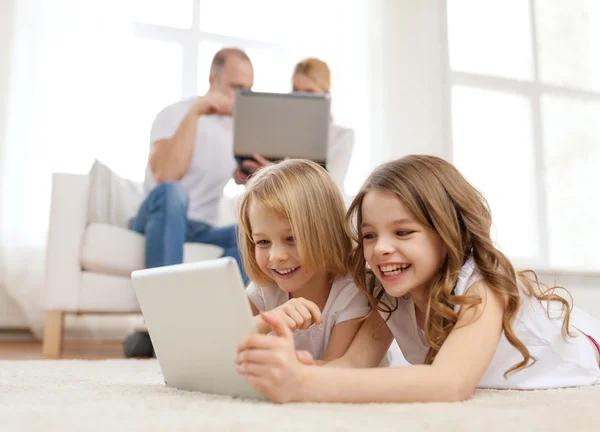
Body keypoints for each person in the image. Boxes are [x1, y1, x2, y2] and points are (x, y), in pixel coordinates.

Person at [235, 155, 600, 403]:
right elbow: (350, 366)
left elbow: (449, 383)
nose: (380, 250)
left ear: (446, 232)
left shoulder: (482, 283)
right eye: (369, 235)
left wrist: (305, 384)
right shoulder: (386, 293)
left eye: (403, 232)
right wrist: (280, 369)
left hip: (584, 349)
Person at [123, 48, 254, 358]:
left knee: (251, 233)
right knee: (173, 194)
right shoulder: (176, 113)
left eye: (248, 90)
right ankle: (162, 327)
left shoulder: (237, 132)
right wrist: (197, 112)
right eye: (236, 88)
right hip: (158, 217)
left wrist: (249, 176)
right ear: (212, 79)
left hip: (201, 228)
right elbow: (167, 174)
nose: (242, 98)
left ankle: (212, 328)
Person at [239, 159, 370, 361]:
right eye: (263, 241)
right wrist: (267, 321)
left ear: (328, 233)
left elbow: (333, 374)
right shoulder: (264, 289)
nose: (276, 256)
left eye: (291, 238)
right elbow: (223, 347)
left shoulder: (350, 292)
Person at [233, 58, 354, 198]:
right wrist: (250, 175)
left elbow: (330, 189)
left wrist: (275, 173)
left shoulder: (342, 136)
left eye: (310, 92)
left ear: (326, 95)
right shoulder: (277, 131)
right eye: (296, 91)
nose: (301, 99)